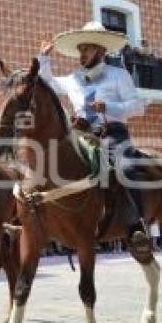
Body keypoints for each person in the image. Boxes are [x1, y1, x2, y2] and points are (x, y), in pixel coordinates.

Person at [38, 21, 150, 259]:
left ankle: (136, 226)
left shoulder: (118, 75)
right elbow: (48, 83)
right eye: (80, 50)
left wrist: (107, 106)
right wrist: (44, 59)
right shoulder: (73, 78)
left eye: (86, 49)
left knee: (126, 167)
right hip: (81, 135)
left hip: (113, 133)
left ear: (100, 50)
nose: (82, 54)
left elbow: (137, 107)